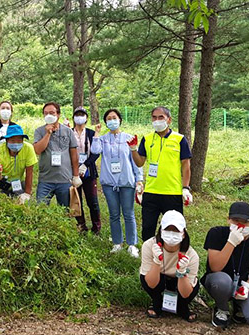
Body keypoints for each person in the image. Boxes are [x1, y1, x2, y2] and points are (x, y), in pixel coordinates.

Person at [201, 201, 249, 329]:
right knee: (221, 281)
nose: (240, 226)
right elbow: (215, 267)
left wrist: (247, 287)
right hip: (220, 282)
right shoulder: (216, 233)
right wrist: (231, 243)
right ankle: (222, 309)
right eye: (236, 220)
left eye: (246, 222)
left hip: (243, 283)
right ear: (228, 220)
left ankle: (239, 306)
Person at [129, 106, 192, 241]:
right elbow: (140, 162)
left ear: (169, 120)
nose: (157, 120)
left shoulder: (180, 139)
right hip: (151, 192)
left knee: (174, 229)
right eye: (154, 117)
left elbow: (186, 166)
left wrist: (186, 188)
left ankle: (173, 256)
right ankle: (149, 256)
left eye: (161, 117)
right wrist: (133, 149)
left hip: (172, 193)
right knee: (148, 228)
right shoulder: (147, 139)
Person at [91, 109, 143, 256]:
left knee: (128, 214)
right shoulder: (103, 139)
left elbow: (135, 161)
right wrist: (96, 134)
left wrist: (139, 179)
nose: (112, 121)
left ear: (120, 120)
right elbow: (95, 150)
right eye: (109, 119)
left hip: (126, 182)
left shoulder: (129, 138)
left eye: (114, 118)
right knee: (114, 214)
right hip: (109, 183)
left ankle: (132, 244)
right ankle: (117, 243)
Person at [140, 210, 199, 322]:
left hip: (178, 281)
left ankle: (182, 307)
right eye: (168, 229)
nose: (171, 234)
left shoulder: (191, 255)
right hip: (159, 279)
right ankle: (157, 302)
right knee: (146, 278)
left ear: (183, 233)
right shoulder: (149, 246)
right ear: (161, 231)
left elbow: (186, 293)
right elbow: (151, 284)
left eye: (176, 230)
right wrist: (157, 261)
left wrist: (182, 273)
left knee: (191, 289)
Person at [33, 102, 82, 207]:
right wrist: (48, 133)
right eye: (46, 113)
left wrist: (76, 175)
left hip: (64, 179)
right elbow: (37, 150)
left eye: (52, 113)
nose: (48, 116)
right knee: (40, 209)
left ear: (58, 114)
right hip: (45, 180)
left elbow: (74, 155)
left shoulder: (68, 131)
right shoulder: (39, 131)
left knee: (65, 211)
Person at [70, 106, 101, 234]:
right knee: (77, 200)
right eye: (77, 114)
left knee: (93, 201)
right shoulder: (69, 132)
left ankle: (96, 228)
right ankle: (81, 226)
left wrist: (86, 164)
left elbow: (96, 152)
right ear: (73, 117)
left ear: (86, 118)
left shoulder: (91, 133)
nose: (80, 117)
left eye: (82, 114)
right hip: (73, 172)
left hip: (89, 171)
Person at [0, 124, 37, 203]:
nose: (16, 143)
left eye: (19, 141)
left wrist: (27, 193)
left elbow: (29, 172)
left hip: (19, 182)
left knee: (25, 202)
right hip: (2, 182)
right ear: (7, 140)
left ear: (23, 140)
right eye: (12, 140)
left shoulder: (28, 148)